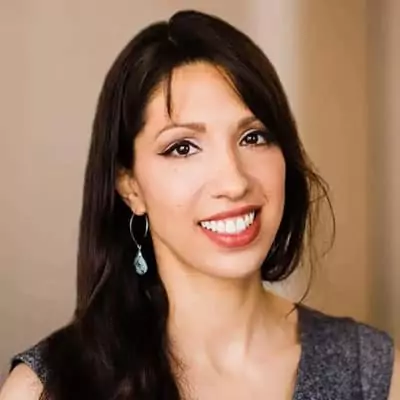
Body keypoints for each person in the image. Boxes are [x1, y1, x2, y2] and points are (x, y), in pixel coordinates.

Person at [1, 9, 398, 400]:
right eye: (182, 147)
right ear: (130, 186)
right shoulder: (43, 390)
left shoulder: (373, 375)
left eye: (253, 137)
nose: (234, 182)